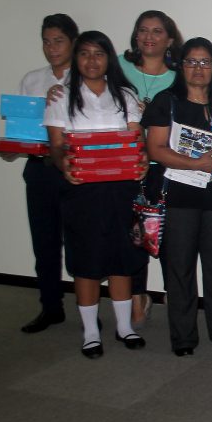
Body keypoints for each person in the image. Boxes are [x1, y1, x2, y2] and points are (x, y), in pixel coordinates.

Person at [42, 30, 149, 358]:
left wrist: (142, 161)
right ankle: (90, 332)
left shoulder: (125, 96)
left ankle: (124, 327)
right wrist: (63, 164)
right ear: (76, 58)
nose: (91, 60)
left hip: (121, 189)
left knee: (122, 257)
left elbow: (136, 141)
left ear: (108, 59)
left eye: (99, 54)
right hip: (82, 190)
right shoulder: (61, 97)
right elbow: (56, 146)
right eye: (85, 53)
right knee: (86, 260)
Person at [142, 38, 212, 357]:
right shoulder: (166, 101)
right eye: (191, 62)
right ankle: (183, 337)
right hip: (178, 198)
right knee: (180, 268)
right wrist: (196, 163)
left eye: (205, 62)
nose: (198, 68)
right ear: (180, 67)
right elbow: (155, 149)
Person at [15, 14, 78, 333]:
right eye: (46, 41)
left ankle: (88, 311)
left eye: (59, 41)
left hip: (73, 169)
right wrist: (11, 146)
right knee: (44, 242)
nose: (52, 48)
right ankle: (50, 307)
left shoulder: (87, 76)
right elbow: (21, 127)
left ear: (73, 43)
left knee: (80, 243)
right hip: (39, 169)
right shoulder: (32, 79)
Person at [121, 10, 184, 328]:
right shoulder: (118, 68)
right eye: (143, 30)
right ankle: (137, 297)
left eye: (157, 31)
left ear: (170, 39)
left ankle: (175, 295)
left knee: (168, 237)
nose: (149, 37)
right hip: (124, 165)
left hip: (164, 168)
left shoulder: (179, 76)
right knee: (132, 236)